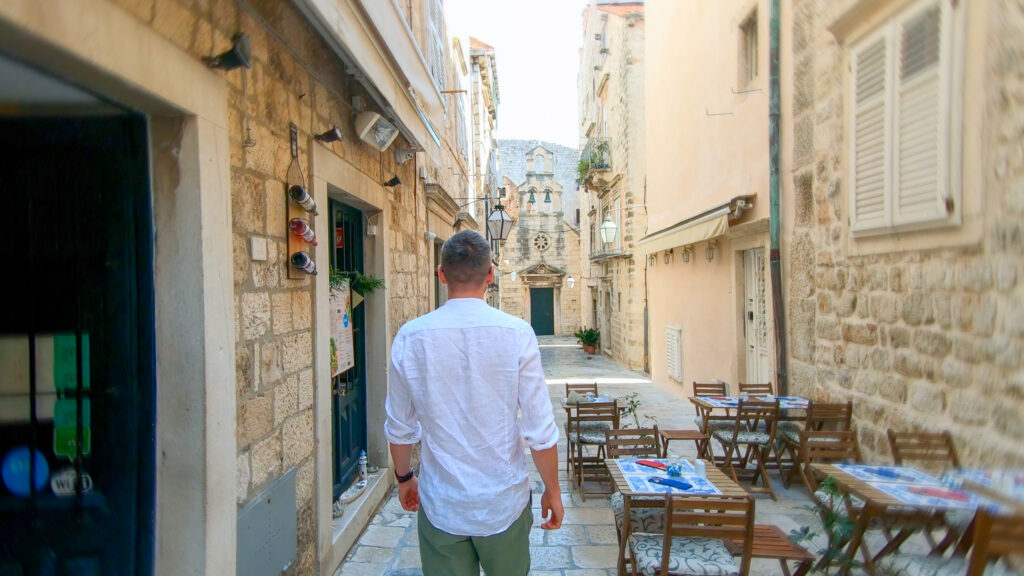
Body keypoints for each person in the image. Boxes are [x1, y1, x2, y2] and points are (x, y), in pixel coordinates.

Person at [385, 230, 563, 576]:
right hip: (503, 501)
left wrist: (404, 477)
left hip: (443, 504)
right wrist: (552, 490)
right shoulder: (517, 333)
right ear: (491, 275)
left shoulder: (411, 336)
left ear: (441, 274)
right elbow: (539, 428)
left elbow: (400, 425)